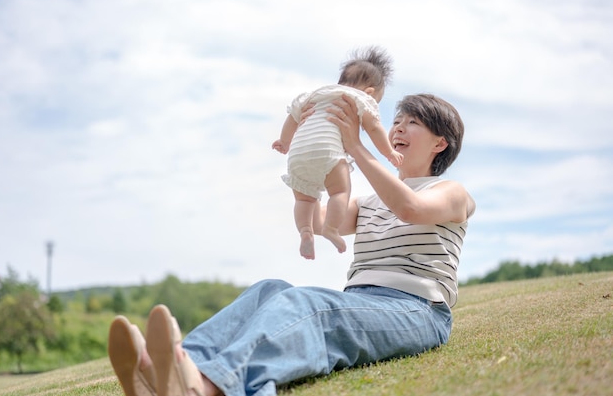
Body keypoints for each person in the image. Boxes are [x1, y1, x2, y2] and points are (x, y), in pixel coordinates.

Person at [108, 93, 476, 396]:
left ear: (440, 143)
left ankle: (203, 388)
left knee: (310, 305)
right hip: (362, 300)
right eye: (397, 120)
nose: (398, 127)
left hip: (418, 311)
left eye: (412, 122)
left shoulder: (451, 193)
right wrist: (311, 154)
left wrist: (356, 147)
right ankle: (165, 373)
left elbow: (410, 208)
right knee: (268, 290)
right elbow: (316, 221)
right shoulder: (369, 202)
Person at [272, 46, 403, 259]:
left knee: (304, 200)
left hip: (297, 155)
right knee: (340, 192)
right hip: (328, 151)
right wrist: (388, 152)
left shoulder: (314, 95)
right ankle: (331, 229)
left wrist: (284, 142)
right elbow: (374, 128)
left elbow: (293, 118)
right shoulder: (361, 99)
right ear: (370, 92)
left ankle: (305, 232)